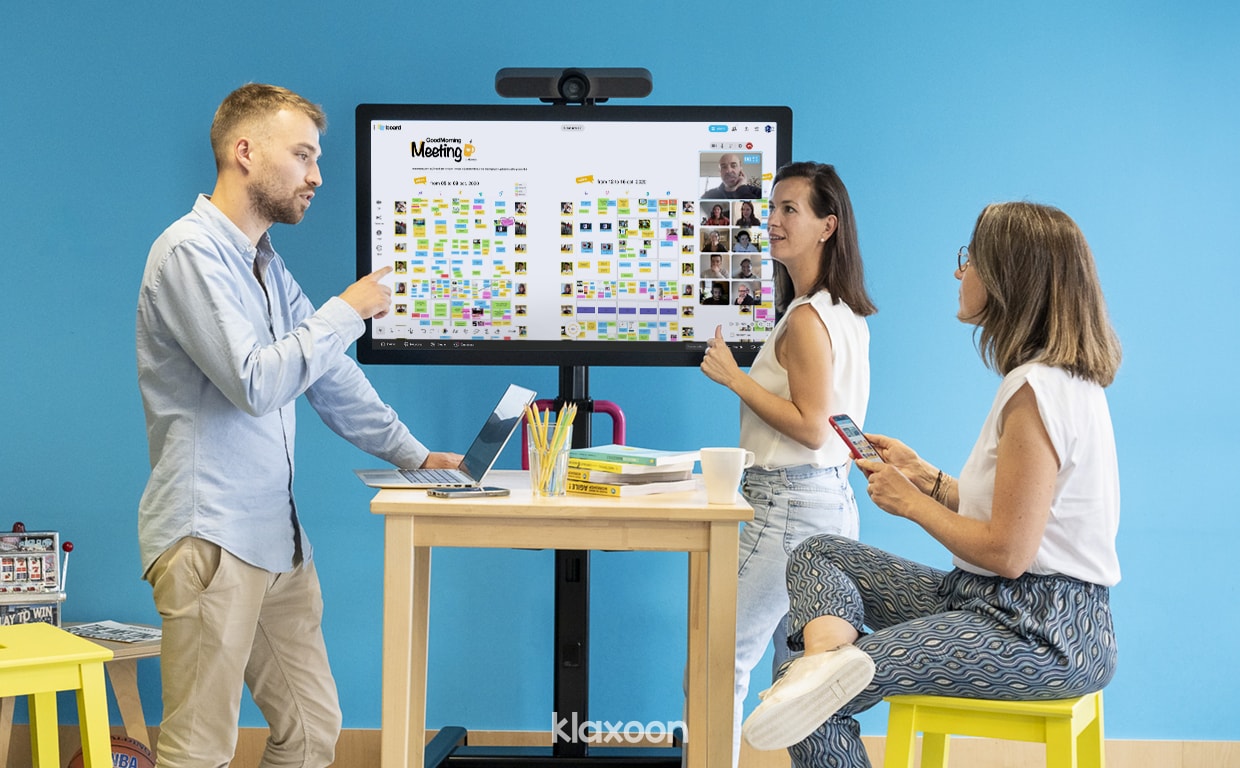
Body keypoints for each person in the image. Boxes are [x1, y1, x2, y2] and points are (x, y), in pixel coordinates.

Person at [135, 83, 463, 768]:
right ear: (245, 152)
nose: (316, 176)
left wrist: (412, 454)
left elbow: (327, 375)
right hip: (211, 539)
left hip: (274, 541)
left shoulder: (265, 264)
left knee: (313, 732)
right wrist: (347, 309)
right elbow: (257, 382)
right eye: (304, 156)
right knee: (200, 749)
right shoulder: (188, 253)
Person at [740, 202, 1122, 767]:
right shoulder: (1052, 379)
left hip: (1042, 632)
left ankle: (813, 680)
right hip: (985, 599)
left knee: (813, 703)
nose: (959, 272)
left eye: (970, 260)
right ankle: (820, 668)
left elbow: (1009, 553)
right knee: (819, 553)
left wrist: (914, 506)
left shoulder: (1038, 394)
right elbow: (1018, 516)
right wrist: (930, 479)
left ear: (1008, 277)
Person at [699, 162, 876, 767]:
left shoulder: (805, 320)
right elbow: (837, 431)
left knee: (717, 663)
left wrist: (735, 379)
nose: (771, 222)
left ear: (828, 226)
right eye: (771, 208)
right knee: (802, 677)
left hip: (786, 510)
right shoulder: (844, 315)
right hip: (833, 505)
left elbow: (809, 424)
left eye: (789, 210)